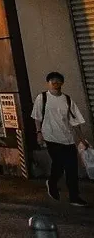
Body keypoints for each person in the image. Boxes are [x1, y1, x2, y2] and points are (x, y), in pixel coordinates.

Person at [30, 71, 89, 206]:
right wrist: (39, 133)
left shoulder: (67, 99)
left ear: (62, 83)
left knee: (72, 168)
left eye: (58, 81)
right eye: (53, 81)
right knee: (59, 164)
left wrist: (82, 139)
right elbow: (37, 117)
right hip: (51, 137)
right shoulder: (42, 98)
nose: (55, 83)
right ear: (48, 83)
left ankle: (74, 196)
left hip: (67, 138)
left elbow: (75, 122)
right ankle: (52, 183)